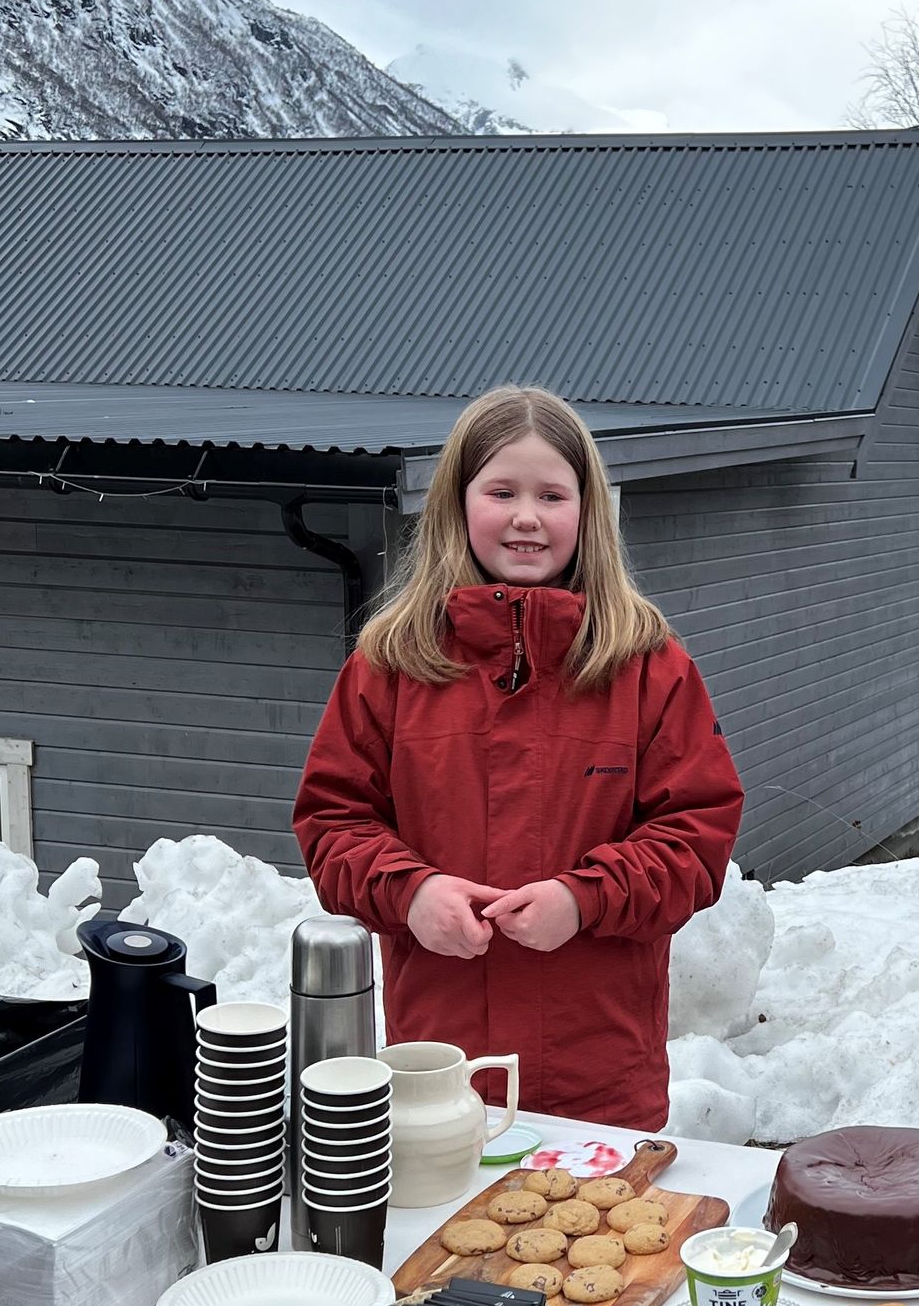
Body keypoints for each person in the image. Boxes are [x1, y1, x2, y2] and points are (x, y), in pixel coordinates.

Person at [294, 385, 744, 1130]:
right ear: (457, 503)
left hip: (602, 1085)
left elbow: (696, 837)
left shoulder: (647, 666)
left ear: (587, 510)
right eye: (501, 490)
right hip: (440, 1079)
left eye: (552, 494)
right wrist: (411, 892)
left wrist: (585, 898)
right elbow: (332, 822)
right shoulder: (389, 665)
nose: (527, 516)